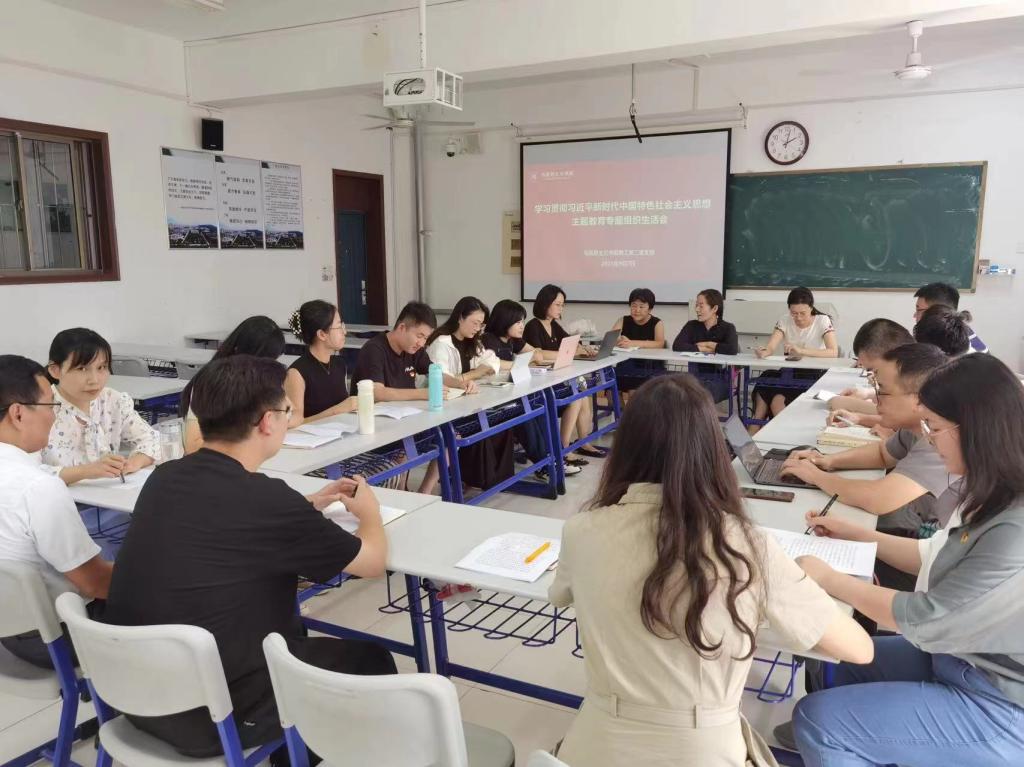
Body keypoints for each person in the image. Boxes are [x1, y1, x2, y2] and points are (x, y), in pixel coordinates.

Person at [549, 374, 872, 767]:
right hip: (703, 750)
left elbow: (559, 594)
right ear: (711, 452)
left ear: (625, 448)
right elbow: (859, 649)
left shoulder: (581, 529)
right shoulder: (746, 543)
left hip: (592, 748)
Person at [102, 356, 395, 758]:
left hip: (135, 695)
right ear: (267, 422)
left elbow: (224, 518)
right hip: (210, 717)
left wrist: (304, 506)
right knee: (370, 660)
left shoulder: (165, 476)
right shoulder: (268, 499)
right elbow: (372, 562)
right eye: (287, 411)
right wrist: (370, 513)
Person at [791, 353, 1024, 767]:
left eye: (934, 427)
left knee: (817, 722)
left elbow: (927, 617)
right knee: (835, 660)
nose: (929, 440)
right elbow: (930, 556)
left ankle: (840, 742)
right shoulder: (990, 488)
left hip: (1002, 697)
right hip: (961, 658)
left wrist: (829, 579)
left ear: (974, 428)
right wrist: (858, 534)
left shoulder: (1014, 527)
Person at [0, 355, 112, 668]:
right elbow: (95, 584)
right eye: (51, 405)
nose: (55, 416)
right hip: (53, 637)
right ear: (18, 414)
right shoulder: (37, 487)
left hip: (8, 629)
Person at [782, 343, 954, 538]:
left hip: (935, 539)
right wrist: (826, 460)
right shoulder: (916, 426)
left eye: (882, 390)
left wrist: (815, 476)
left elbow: (879, 498)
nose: (876, 399)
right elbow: (882, 454)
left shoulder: (942, 439)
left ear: (919, 399)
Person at [41, 328, 160, 485]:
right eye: (82, 369)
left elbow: (152, 439)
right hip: (58, 497)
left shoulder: (113, 401)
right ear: (55, 370)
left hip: (108, 495)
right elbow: (26, 473)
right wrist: (87, 471)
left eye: (101, 368)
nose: (94, 380)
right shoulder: (39, 409)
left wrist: (133, 463)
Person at [482, 300, 579, 480]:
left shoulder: (514, 340)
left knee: (539, 405)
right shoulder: (488, 339)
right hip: (492, 401)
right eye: (518, 322)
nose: (522, 326)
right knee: (524, 413)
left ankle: (555, 457)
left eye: (523, 321)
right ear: (505, 321)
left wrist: (530, 357)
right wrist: (521, 363)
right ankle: (543, 464)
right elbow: (492, 364)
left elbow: (537, 354)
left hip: (510, 394)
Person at [425, 297, 512, 493]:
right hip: (443, 405)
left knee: (501, 419)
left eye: (481, 324)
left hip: (465, 401)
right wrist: (475, 374)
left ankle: (492, 479)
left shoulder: (472, 342)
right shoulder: (441, 343)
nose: (477, 328)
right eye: (474, 323)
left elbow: (492, 360)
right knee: (480, 423)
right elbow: (441, 379)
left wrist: (476, 373)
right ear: (460, 318)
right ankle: (472, 478)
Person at [181, 315, 286, 454]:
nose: (268, 368)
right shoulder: (211, 384)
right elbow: (193, 445)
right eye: (265, 360)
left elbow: (287, 417)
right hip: (217, 462)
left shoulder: (263, 382)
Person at [523, 284, 600, 465]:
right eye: (557, 304)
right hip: (541, 384)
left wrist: (583, 349)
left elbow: (570, 343)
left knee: (584, 393)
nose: (561, 309)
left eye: (562, 305)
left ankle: (583, 442)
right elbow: (538, 354)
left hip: (556, 378)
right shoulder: (533, 326)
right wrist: (565, 353)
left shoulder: (553, 325)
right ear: (545, 304)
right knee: (576, 397)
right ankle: (564, 449)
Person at [349, 301, 476, 401]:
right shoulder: (374, 349)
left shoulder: (414, 349)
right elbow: (377, 392)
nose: (421, 343)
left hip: (405, 412)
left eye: (425, 338)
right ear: (402, 328)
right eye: (419, 336)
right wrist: (423, 394)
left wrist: (460, 384)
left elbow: (435, 374)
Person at [751, 287, 838, 425]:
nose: (798, 317)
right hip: (790, 371)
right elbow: (771, 347)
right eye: (794, 313)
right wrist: (764, 351)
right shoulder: (784, 320)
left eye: (802, 313)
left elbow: (833, 352)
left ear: (811, 308)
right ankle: (756, 422)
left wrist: (802, 351)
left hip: (814, 373)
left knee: (777, 401)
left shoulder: (822, 320)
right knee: (766, 379)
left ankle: (758, 426)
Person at [284, 300, 358, 424]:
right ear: (322, 334)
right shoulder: (296, 373)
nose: (344, 332)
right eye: (339, 327)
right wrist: (337, 410)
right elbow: (295, 423)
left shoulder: (339, 364)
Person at [826, 318, 912, 421]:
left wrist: (854, 406)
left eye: (875, 371)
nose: (872, 377)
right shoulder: (904, 377)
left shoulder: (921, 383)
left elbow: (900, 415)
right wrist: (867, 393)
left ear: (896, 359)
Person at [671, 288, 739, 403]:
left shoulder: (728, 328)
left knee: (702, 392)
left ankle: (701, 413)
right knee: (677, 390)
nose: (697, 309)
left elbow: (732, 349)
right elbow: (677, 345)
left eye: (701, 306)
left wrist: (710, 344)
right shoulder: (692, 325)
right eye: (696, 305)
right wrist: (701, 348)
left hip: (720, 379)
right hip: (695, 377)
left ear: (715, 308)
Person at [612, 288, 667, 401]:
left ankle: (633, 411)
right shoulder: (623, 320)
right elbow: (611, 338)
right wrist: (619, 341)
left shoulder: (657, 323)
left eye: (641, 307)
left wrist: (632, 343)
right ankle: (622, 412)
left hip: (649, 366)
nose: (637, 310)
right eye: (633, 306)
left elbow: (659, 344)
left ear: (650, 308)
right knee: (610, 392)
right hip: (626, 364)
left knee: (634, 393)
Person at [913, 281, 988, 353]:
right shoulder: (952, 331)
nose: (914, 315)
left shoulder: (957, 348)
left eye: (919, 310)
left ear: (938, 312)